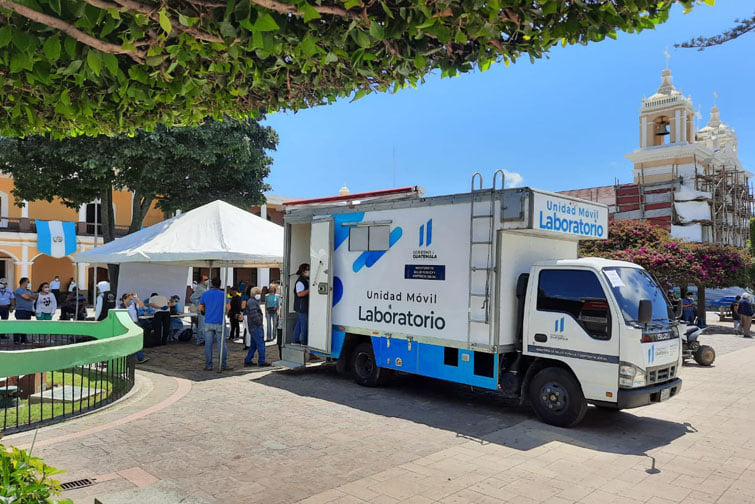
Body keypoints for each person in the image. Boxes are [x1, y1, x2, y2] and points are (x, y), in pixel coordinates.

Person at [199, 278, 232, 371]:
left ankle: (208, 365)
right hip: (220, 321)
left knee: (208, 345)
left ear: (212, 284)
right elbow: (228, 307)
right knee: (221, 345)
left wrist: (206, 311)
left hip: (208, 321)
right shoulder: (223, 294)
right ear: (220, 285)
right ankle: (223, 364)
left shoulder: (206, 294)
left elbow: (200, 307)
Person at [244, 287, 270, 367]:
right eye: (258, 293)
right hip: (255, 326)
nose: (259, 295)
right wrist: (259, 324)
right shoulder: (252, 302)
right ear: (254, 294)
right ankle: (262, 361)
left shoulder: (252, 301)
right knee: (261, 344)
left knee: (253, 345)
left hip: (253, 326)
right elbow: (254, 315)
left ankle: (248, 360)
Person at [120, 293, 149, 363]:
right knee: (131, 341)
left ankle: (139, 357)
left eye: (131, 299)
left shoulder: (134, 305)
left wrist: (136, 298)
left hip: (135, 323)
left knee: (136, 340)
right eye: (129, 299)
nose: (131, 300)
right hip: (127, 324)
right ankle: (138, 357)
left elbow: (142, 305)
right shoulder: (121, 307)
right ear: (124, 299)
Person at [14, 277, 37, 343]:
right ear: (24, 282)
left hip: (28, 311)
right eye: (28, 282)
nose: (29, 283)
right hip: (21, 310)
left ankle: (24, 340)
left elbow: (35, 297)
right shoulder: (19, 290)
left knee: (25, 325)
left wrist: (29, 296)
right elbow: (26, 297)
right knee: (19, 325)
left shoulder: (29, 291)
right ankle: (16, 340)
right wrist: (30, 297)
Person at [292, 264, 310, 345]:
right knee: (304, 324)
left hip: (301, 306)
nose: (308, 271)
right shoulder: (300, 281)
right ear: (303, 271)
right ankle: (304, 342)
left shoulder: (304, 280)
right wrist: (310, 290)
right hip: (301, 306)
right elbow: (299, 294)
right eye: (307, 270)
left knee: (299, 324)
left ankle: (295, 340)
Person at [190, 275, 209, 345]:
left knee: (204, 325)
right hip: (202, 310)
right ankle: (201, 339)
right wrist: (200, 305)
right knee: (202, 325)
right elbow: (192, 298)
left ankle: (203, 338)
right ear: (201, 281)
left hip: (206, 309)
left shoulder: (205, 288)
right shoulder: (200, 288)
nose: (207, 281)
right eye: (206, 279)